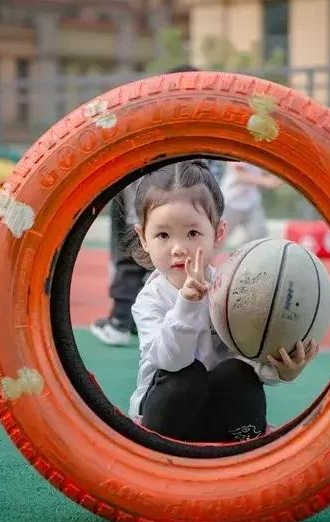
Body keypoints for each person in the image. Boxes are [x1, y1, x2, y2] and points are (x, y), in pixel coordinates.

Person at [127, 161, 319, 443]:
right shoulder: (150, 300)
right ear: (143, 237)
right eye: (163, 235)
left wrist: (281, 371)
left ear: (218, 234)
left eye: (193, 233)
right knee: (186, 375)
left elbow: (251, 355)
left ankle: (245, 442)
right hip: (168, 420)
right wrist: (187, 304)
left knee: (236, 372)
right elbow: (171, 359)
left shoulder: (234, 288)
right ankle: (157, 449)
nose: (178, 248)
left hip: (218, 419)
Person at [90, 65, 202, 348]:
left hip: (145, 210)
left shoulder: (154, 127)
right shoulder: (194, 131)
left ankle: (119, 320)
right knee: (171, 265)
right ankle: (156, 320)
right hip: (179, 213)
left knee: (131, 263)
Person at [219, 161, 281, 244]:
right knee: (219, 238)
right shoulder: (238, 150)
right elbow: (240, 176)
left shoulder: (261, 153)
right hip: (231, 201)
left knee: (259, 236)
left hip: (251, 202)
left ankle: (243, 254)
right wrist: (266, 181)